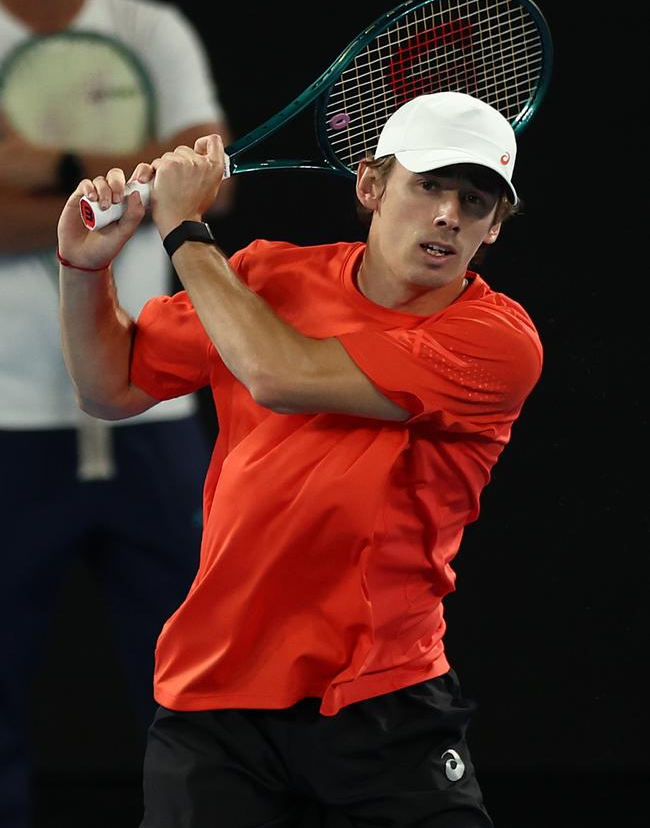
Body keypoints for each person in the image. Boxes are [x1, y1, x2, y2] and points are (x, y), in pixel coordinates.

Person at [57, 91, 543, 827]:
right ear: (372, 187)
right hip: (216, 701)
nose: (449, 214)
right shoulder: (264, 280)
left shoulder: (496, 342)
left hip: (385, 701)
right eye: (429, 185)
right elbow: (110, 386)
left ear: (494, 228)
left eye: (475, 201)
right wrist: (84, 269)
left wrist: (183, 229)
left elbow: (278, 375)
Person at [0, 0, 233, 826]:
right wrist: (122, 177)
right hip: (8, 424)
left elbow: (213, 184)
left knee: (203, 686)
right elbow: (166, 192)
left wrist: (46, 164)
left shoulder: (151, 31)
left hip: (153, 418)